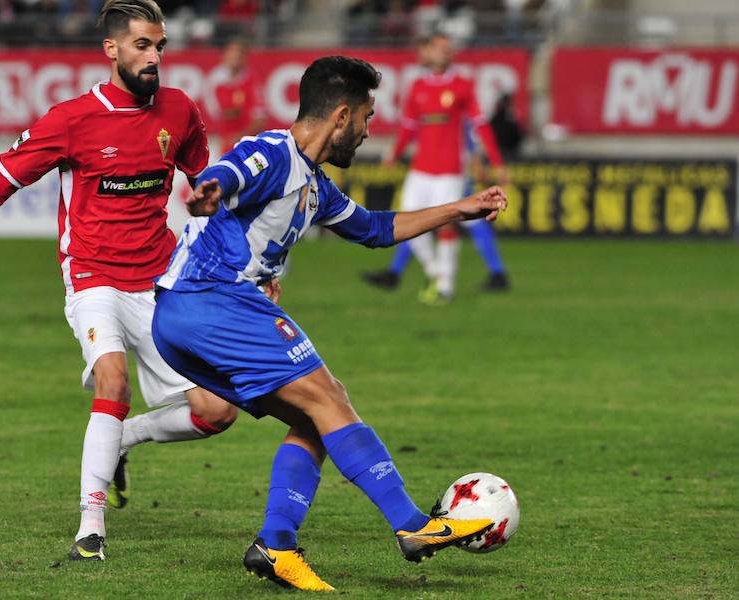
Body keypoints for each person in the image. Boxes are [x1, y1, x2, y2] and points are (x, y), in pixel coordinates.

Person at [152, 55, 506, 591]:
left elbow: (374, 228)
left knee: (316, 420)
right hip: (212, 299)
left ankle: (276, 546)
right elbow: (232, 170)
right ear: (341, 116)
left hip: (188, 316)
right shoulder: (273, 151)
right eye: (366, 117)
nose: (367, 132)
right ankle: (413, 526)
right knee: (329, 397)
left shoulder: (314, 184)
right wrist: (212, 188)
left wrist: (460, 208)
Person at [0, 0, 242, 562]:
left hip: (159, 279)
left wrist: (238, 261)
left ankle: (125, 439)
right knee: (111, 380)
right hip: (93, 276)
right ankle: (90, 529)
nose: (154, 57)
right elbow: (3, 177)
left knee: (217, 410)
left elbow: (205, 187)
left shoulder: (180, 111)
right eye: (143, 45)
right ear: (112, 50)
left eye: (160, 46)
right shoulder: (71, 119)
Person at [383, 31, 508, 305]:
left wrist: (496, 162)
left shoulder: (463, 85)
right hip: (420, 169)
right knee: (405, 223)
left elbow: (480, 125)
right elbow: (408, 127)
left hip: (450, 170)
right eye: (440, 48)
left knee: (446, 225)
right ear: (428, 51)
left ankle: (446, 286)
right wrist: (395, 154)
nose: (445, 53)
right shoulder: (417, 87)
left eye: (449, 49)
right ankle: (435, 272)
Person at [362, 121, 510, 292]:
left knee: (428, 220)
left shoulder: (448, 110)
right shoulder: (435, 112)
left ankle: (433, 278)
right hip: (438, 173)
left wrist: (477, 165)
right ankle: (398, 272)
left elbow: (466, 138)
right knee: (420, 220)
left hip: (450, 174)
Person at [209, 37, 266, 154]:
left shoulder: (252, 82)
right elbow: (220, 113)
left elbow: (260, 118)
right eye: (232, 53)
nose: (235, 58)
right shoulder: (216, 81)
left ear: (244, 58)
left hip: (249, 145)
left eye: (238, 55)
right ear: (224, 56)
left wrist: (242, 134)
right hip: (226, 146)